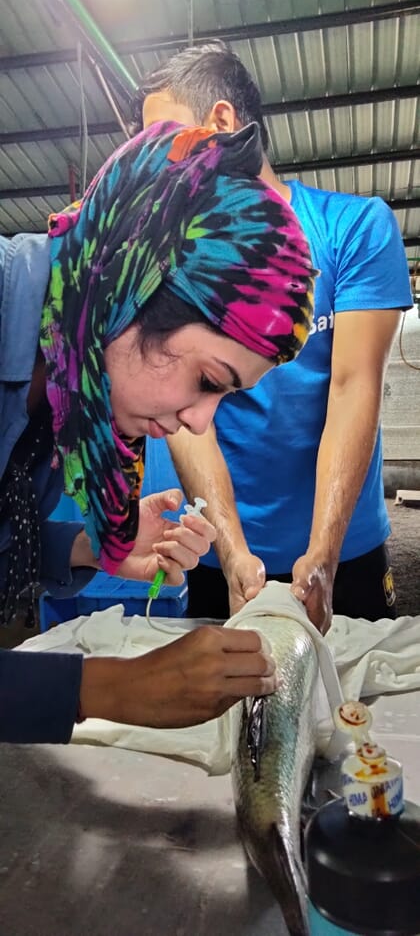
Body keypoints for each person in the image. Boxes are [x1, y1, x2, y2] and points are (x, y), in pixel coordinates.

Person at [0, 117, 316, 743]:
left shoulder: (62, 374)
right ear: (132, 287)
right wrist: (115, 687)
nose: (198, 420)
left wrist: (83, 548)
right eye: (207, 379)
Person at [133, 40, 413, 632]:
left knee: (354, 715)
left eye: (164, 142)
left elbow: (352, 388)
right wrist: (231, 550)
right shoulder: (173, 261)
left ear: (222, 123)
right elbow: (184, 413)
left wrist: (323, 554)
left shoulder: (354, 228)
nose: (155, 169)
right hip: (225, 551)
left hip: (346, 547)